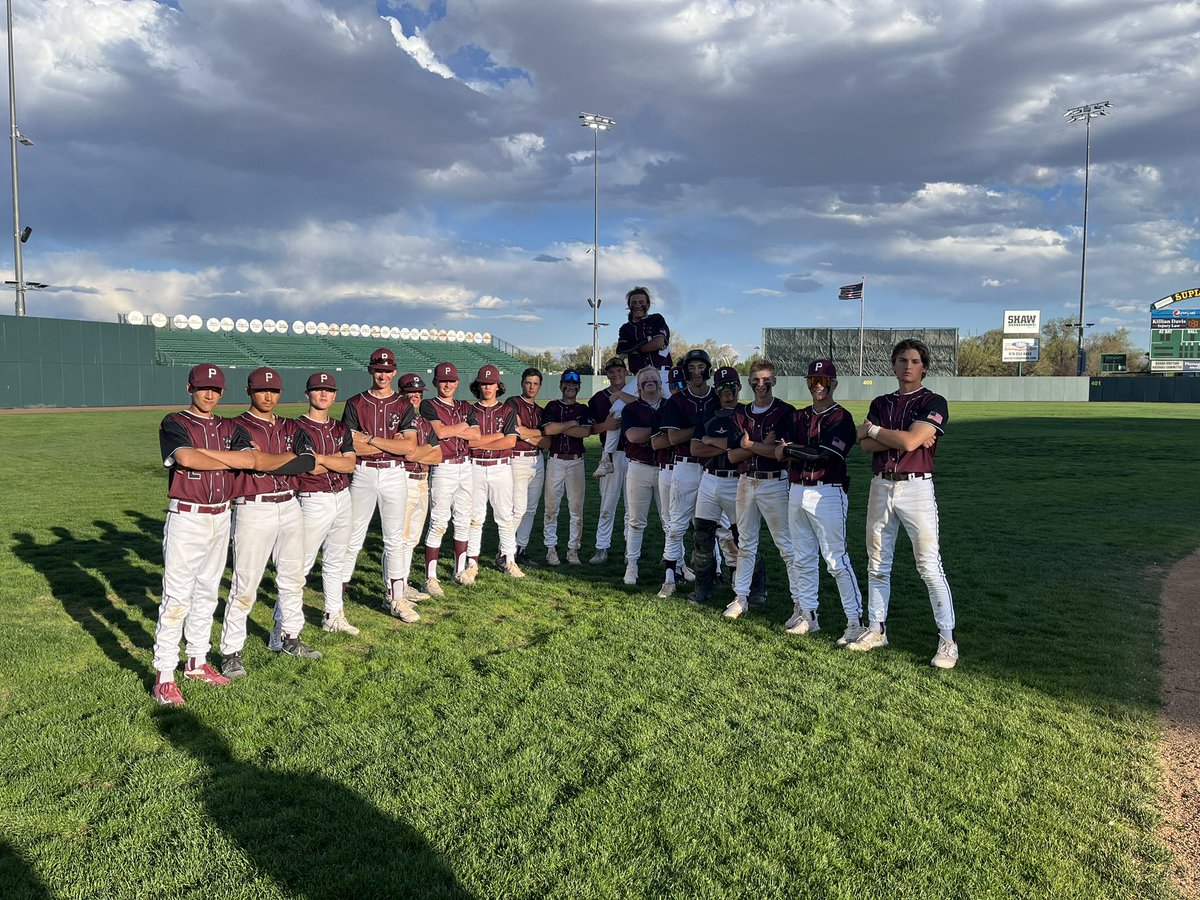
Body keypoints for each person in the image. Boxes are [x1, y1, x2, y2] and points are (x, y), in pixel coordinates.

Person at [151, 364, 296, 704]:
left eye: (216, 389)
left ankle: (197, 661)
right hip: (187, 515)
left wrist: (209, 457)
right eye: (204, 388)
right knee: (177, 597)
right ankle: (164, 675)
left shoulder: (228, 426)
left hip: (221, 515)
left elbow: (252, 459)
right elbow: (185, 457)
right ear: (190, 387)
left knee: (206, 594)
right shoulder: (175, 421)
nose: (210, 394)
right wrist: (225, 459)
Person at [849, 339, 958, 669]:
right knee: (877, 562)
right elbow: (864, 444)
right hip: (881, 484)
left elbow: (907, 441)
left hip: (916, 488)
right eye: (901, 360)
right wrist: (896, 436)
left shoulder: (933, 400)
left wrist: (879, 431)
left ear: (923, 366)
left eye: (914, 360)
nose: (907, 366)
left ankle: (947, 639)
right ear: (893, 365)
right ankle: (876, 629)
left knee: (928, 564)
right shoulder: (881, 401)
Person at [220, 368, 322, 680]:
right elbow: (254, 462)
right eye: (262, 391)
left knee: (293, 578)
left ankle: (291, 637)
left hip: (290, 504)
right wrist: (278, 459)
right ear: (249, 391)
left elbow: (309, 462)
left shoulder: (292, 425)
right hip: (254, 507)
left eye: (274, 391)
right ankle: (230, 651)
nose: (268, 396)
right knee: (245, 583)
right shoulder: (236, 426)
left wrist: (267, 460)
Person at [775, 359, 866, 644]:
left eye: (824, 380)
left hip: (827, 491)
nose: (818, 386)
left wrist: (794, 450)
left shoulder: (842, 418)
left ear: (834, 384)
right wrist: (798, 450)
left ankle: (855, 622)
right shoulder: (798, 417)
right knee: (802, 558)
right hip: (796, 489)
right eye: (813, 380)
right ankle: (808, 615)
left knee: (836, 560)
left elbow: (824, 455)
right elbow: (780, 452)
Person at [339, 348, 420, 622]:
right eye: (378, 369)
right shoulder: (355, 403)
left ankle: (395, 599)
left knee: (394, 539)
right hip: (362, 473)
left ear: (393, 372)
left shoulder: (403, 404)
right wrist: (389, 445)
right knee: (352, 537)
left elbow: (408, 447)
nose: (383, 374)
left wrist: (370, 439)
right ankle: (335, 597)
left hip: (395, 474)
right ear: (370, 370)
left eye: (387, 370)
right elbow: (349, 445)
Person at [722, 359, 803, 620]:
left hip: (775, 482)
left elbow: (781, 454)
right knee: (745, 543)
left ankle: (800, 605)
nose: (761, 384)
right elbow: (732, 456)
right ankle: (741, 597)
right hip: (746, 481)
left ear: (774, 380)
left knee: (786, 546)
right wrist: (759, 446)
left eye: (766, 379)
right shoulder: (740, 413)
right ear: (749, 382)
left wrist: (750, 445)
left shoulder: (786, 412)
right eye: (756, 379)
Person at [292, 372, 360, 635]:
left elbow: (350, 463)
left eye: (328, 390)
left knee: (336, 560)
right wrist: (330, 461)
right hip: (312, 499)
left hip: (343, 496)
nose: (323, 394)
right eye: (318, 389)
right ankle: (286, 621)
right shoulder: (295, 427)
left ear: (334, 395)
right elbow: (309, 469)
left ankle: (333, 615)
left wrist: (322, 459)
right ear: (307, 393)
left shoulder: (340, 428)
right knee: (302, 563)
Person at [688, 366, 755, 606]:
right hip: (709, 477)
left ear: (739, 387)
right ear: (716, 390)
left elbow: (746, 448)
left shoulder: (747, 414)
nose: (727, 391)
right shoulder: (708, 413)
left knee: (743, 536)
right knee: (702, 535)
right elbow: (695, 449)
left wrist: (713, 441)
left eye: (731, 386)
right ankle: (702, 589)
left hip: (735, 480)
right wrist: (729, 445)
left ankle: (754, 588)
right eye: (722, 387)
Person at [654, 349, 718, 597]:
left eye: (700, 367)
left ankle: (719, 573)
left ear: (708, 369)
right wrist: (703, 430)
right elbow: (672, 437)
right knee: (676, 523)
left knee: (719, 524)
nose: (695, 372)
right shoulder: (678, 400)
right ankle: (670, 577)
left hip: (713, 467)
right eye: (691, 368)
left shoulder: (716, 397)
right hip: (686, 464)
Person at [421, 362, 481, 595]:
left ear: (457, 383)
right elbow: (440, 432)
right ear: (436, 382)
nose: (447, 384)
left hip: (465, 465)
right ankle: (430, 576)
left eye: (451, 380)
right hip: (443, 466)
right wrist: (464, 425)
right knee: (439, 521)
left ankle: (459, 570)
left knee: (463, 518)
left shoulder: (465, 405)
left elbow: (475, 434)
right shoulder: (429, 405)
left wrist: (457, 427)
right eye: (443, 380)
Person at [464, 364, 524, 580]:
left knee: (504, 516)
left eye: (491, 383)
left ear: (498, 385)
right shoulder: (470, 410)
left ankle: (509, 560)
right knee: (475, 517)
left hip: (500, 466)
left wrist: (480, 442)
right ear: (477, 386)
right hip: (475, 466)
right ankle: (472, 562)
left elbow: (510, 440)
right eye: (483, 384)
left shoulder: (507, 410)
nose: (487, 387)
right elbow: (469, 442)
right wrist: (493, 438)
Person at [390, 373, 443, 603]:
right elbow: (403, 453)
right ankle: (394, 587)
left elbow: (438, 455)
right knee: (399, 537)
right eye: (410, 394)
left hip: (423, 479)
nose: (414, 398)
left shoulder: (423, 423)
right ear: (401, 395)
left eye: (418, 394)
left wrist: (415, 452)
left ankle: (404, 582)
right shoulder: (395, 421)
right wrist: (424, 450)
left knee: (412, 538)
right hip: (404, 479)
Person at [619, 366, 670, 585]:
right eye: (645, 379)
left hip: (666, 466)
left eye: (654, 378)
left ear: (661, 383)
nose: (650, 381)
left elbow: (677, 435)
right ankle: (632, 565)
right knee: (636, 521)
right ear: (638, 386)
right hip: (639, 467)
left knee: (670, 521)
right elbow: (633, 436)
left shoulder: (670, 405)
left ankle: (676, 564)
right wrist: (662, 429)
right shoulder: (631, 409)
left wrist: (651, 431)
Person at [541, 369, 593, 566]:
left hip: (576, 461)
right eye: (567, 384)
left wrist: (561, 427)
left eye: (574, 385)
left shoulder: (584, 409)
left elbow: (585, 432)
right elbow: (548, 429)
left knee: (576, 509)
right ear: (561, 385)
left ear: (579, 387)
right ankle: (551, 549)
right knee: (551, 508)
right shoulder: (553, 406)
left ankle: (573, 550)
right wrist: (571, 423)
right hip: (555, 460)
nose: (570, 387)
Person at [587, 357, 635, 564]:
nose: (616, 375)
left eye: (619, 371)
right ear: (607, 374)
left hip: (634, 455)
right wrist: (606, 425)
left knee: (631, 507)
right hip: (611, 455)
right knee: (607, 505)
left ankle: (629, 548)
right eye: (612, 371)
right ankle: (601, 547)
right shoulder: (599, 398)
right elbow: (591, 428)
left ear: (625, 372)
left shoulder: (635, 392)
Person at [507, 367, 547, 568]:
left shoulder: (540, 410)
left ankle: (520, 549)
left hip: (537, 460)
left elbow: (547, 442)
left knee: (530, 509)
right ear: (522, 383)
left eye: (535, 384)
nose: (531, 387)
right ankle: (504, 551)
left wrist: (528, 434)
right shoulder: (513, 402)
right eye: (528, 383)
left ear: (540, 386)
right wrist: (536, 434)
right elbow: (516, 432)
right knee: (518, 509)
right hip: (518, 459)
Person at [616, 286, 672, 393]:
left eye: (641, 302)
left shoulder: (656, 319)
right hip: (640, 375)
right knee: (617, 407)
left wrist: (635, 349)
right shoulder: (625, 328)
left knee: (673, 406)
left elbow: (658, 343)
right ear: (629, 306)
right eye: (634, 303)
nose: (637, 305)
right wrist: (646, 341)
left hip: (662, 373)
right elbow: (622, 350)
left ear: (648, 304)